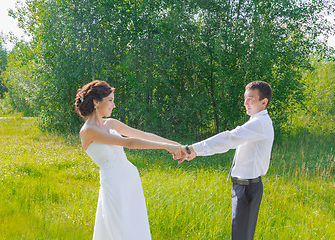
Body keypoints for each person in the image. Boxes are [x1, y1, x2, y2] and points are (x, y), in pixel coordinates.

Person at [74, 80, 184, 240]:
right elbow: (128, 142)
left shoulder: (110, 123)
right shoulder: (88, 131)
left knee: (135, 227)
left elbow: (143, 135)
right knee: (118, 229)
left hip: (130, 179)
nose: (114, 105)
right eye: (110, 100)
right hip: (113, 184)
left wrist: (180, 146)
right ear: (96, 102)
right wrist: (166, 147)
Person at [181, 81, 274, 240]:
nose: (245, 103)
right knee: (239, 235)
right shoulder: (255, 122)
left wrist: (193, 149)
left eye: (250, 99)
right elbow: (231, 141)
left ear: (263, 102)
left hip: (248, 188)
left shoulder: (260, 123)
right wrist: (196, 152)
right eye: (245, 99)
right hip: (243, 187)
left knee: (240, 237)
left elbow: (229, 139)